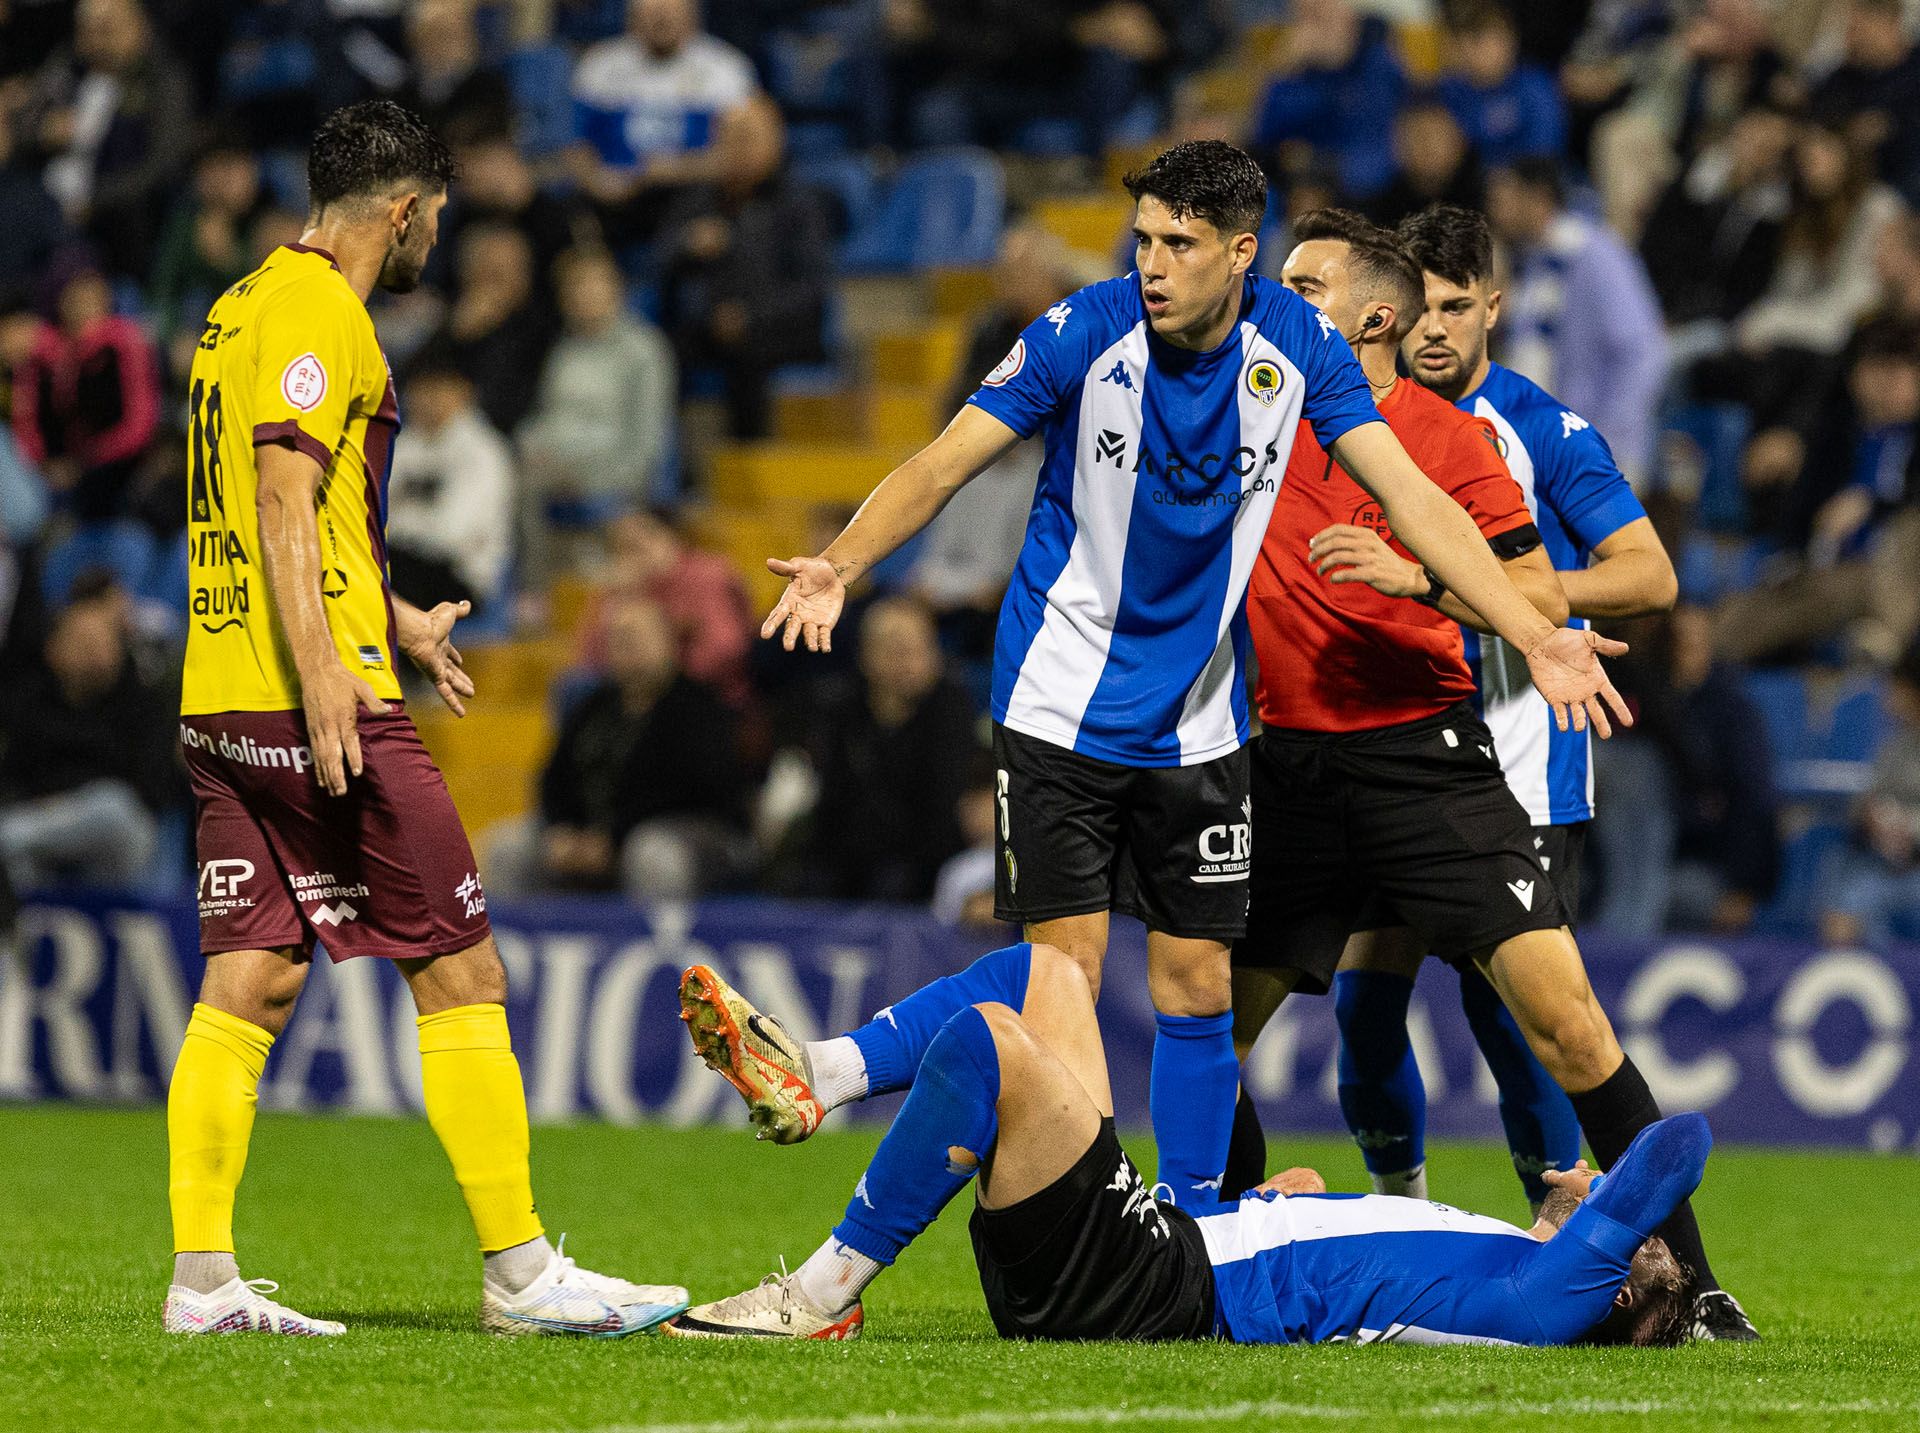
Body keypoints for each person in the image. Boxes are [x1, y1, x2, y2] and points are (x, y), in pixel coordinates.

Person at [751, 139, 1626, 1214]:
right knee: (1058, 984)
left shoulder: (1298, 341)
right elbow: (942, 461)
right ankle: (839, 1070)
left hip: (1204, 715)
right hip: (1061, 692)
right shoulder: (1084, 331)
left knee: (1200, 982)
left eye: (1181, 243)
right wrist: (842, 563)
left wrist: (1530, 631)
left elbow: (1417, 502)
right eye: (1145, 239)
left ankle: (1196, 1223)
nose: (1153, 264)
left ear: (1240, 254)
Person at [164, 100, 686, 1339]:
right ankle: (520, 1272)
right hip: (307, 696)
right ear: (401, 210)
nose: (433, 243)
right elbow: (287, 501)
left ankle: (201, 1281)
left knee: (250, 976)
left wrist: (393, 616)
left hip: (216, 695)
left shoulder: (236, 306)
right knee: (461, 964)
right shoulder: (318, 313)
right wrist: (334, 664)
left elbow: (276, 510)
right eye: (435, 220)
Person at [1305, 203, 1755, 1341]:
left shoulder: (1536, 428)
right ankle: (1400, 1224)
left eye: (1462, 306)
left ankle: (1595, 1235)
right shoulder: (1350, 420)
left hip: (1520, 762)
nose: (1439, 330)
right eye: (1426, 308)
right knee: (1362, 1013)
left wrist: (1520, 596)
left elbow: (1648, 576)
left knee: (1524, 1023)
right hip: (1388, 751)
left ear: (1495, 306)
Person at [664, 946, 1703, 1347]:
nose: (1603, 1174)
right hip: (1170, 1251)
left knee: (991, 1043)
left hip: (1151, 1291)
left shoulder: (1546, 1297)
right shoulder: (1503, 1260)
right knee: (1049, 973)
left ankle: (817, 1293)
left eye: (1628, 1225)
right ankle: (821, 1070)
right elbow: (1347, 1274)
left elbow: (1678, 1145)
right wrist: (1285, 1205)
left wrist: (1668, 1261)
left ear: (1613, 1281)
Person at [487, 592, 748, 899]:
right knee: (507, 847)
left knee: (653, 855)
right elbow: (553, 777)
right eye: (616, 638)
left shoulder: (699, 706)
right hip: (588, 835)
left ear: (667, 641)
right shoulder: (592, 707)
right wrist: (563, 830)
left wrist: (614, 838)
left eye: (635, 636)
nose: (625, 646)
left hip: (686, 833)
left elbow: (694, 791)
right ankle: (510, 946)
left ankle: (657, 946)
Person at [1486, 159, 1670, 492]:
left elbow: (1643, 351)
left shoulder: (1597, 255)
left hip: (1596, 453)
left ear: (1538, 198)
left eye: (1504, 198)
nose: (1494, 210)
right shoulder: (1531, 261)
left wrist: (1605, 440)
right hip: (1543, 445)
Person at [0, 573, 178, 891]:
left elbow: (150, 788)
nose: (92, 654)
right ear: (53, 650)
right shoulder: (31, 701)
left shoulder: (139, 701)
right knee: (11, 839)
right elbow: (17, 773)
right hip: (43, 821)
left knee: (114, 808)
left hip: (114, 825)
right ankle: (28, 922)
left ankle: (112, 915)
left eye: (101, 642)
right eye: (80, 642)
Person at [795, 597, 979, 904]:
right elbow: (832, 803)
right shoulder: (843, 710)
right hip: (849, 854)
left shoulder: (950, 709)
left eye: (919, 649)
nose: (909, 662)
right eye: (896, 650)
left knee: (893, 885)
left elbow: (942, 810)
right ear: (866, 655)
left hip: (921, 858)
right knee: (809, 882)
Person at [515, 245, 676, 582]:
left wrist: (595, 478)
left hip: (613, 473)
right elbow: (547, 417)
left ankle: (555, 587)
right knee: (508, 473)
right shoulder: (563, 350)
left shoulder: (643, 350)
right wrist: (532, 445)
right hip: (554, 468)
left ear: (616, 289)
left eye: (593, 285)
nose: (583, 296)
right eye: (575, 288)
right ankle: (533, 590)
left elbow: (649, 440)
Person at [567, 0, 776, 245]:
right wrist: (597, 184)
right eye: (653, 13)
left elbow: (748, 156)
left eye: (671, 12)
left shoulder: (727, 71)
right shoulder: (600, 66)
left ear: (692, 16)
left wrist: (677, 170)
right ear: (632, 18)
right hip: (612, 197)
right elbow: (574, 146)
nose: (662, 21)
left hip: (695, 195)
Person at [383, 347, 515, 617]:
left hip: (462, 583)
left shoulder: (483, 451)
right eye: (419, 390)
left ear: (463, 392)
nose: (426, 399)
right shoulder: (404, 446)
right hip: (409, 566)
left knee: (386, 573)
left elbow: (449, 536)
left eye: (438, 390)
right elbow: (376, 519)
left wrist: (402, 526)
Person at [1248, 0, 1406, 201]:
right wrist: (1284, 71)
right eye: (1310, 18)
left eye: (1325, 10)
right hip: (1302, 196)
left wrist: (1320, 163)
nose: (1318, 27)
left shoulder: (1378, 59)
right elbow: (1264, 135)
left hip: (1374, 198)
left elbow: (1375, 159)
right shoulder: (1298, 76)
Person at [1820, 637, 1920, 945]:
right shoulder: (1897, 745)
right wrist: (1872, 817)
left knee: (1858, 893)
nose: (1888, 698)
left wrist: (1909, 830)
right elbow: (1866, 802)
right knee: (1840, 875)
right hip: (1884, 865)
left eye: (1896, 688)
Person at [1434, 3, 1566, 171]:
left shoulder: (1534, 86)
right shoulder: (1450, 90)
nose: (1490, 49)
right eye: (1476, 40)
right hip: (1470, 187)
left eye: (1497, 38)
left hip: (1532, 184)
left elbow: (1545, 152)